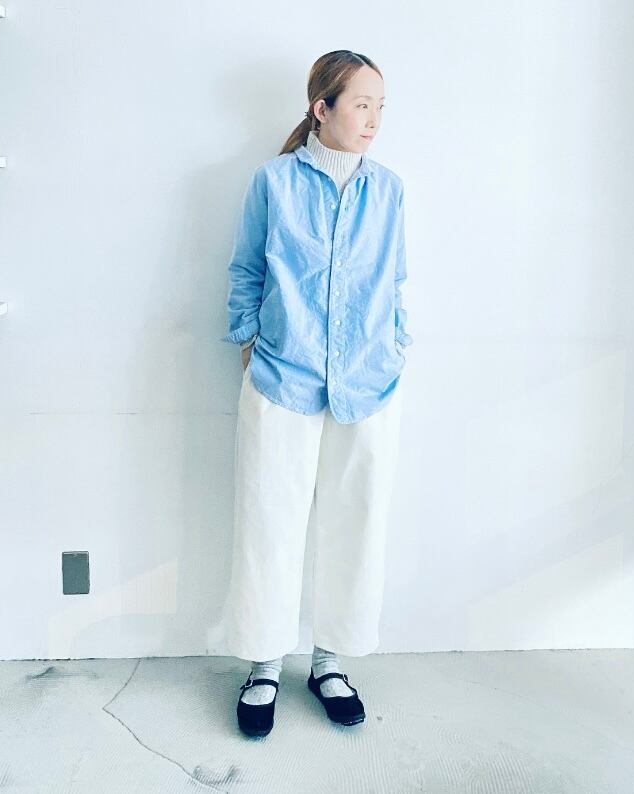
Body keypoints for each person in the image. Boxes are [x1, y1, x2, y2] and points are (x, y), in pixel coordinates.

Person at [220, 49, 413, 738]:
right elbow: (246, 268)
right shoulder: (273, 182)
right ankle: (265, 666)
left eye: (380, 106)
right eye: (361, 104)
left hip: (368, 381)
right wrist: (249, 340)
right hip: (283, 378)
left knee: (354, 524)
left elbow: (394, 279)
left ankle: (329, 663)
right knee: (268, 523)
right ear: (321, 108)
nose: (374, 119)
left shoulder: (388, 190)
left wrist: (395, 342)